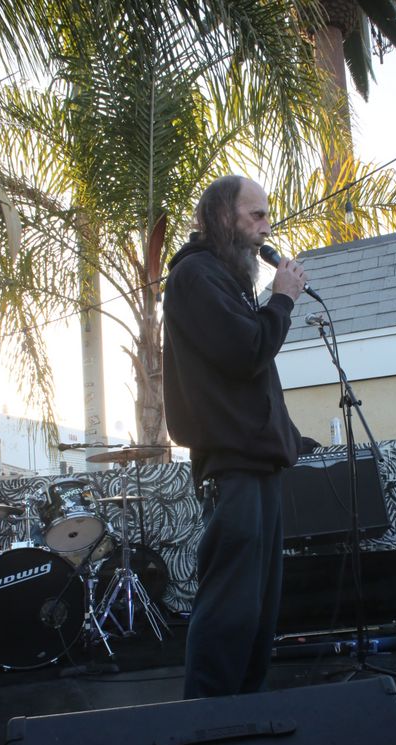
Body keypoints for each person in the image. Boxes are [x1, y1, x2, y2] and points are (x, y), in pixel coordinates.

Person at [162, 175, 306, 699]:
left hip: (255, 462)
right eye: (256, 215)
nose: (266, 227)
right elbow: (246, 352)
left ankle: (244, 715)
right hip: (232, 466)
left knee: (259, 609)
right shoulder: (196, 275)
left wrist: (290, 437)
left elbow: (244, 380)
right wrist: (282, 300)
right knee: (231, 605)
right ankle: (206, 720)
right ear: (223, 217)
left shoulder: (225, 280)